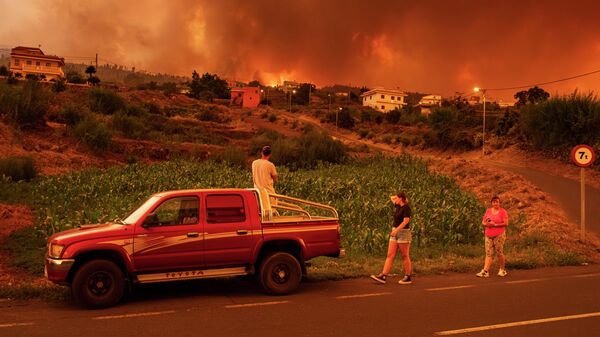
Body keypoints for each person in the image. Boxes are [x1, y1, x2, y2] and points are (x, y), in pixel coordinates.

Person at [370, 192, 413, 285]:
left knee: (405, 255)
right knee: (390, 255)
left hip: (403, 233)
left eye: (397, 198)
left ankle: (408, 276)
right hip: (395, 232)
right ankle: (383, 276)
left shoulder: (406, 208)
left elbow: (406, 221)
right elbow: (391, 198)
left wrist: (396, 230)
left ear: (401, 198)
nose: (395, 199)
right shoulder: (397, 205)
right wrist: (397, 198)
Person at [476, 195, 509, 277]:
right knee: (488, 253)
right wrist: (487, 224)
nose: (495, 203)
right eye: (494, 202)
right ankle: (485, 271)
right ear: (491, 203)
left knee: (499, 253)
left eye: (497, 202)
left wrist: (495, 225)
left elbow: (506, 223)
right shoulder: (488, 211)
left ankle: (502, 270)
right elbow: (483, 222)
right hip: (488, 235)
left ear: (499, 203)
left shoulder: (503, 212)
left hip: (499, 235)